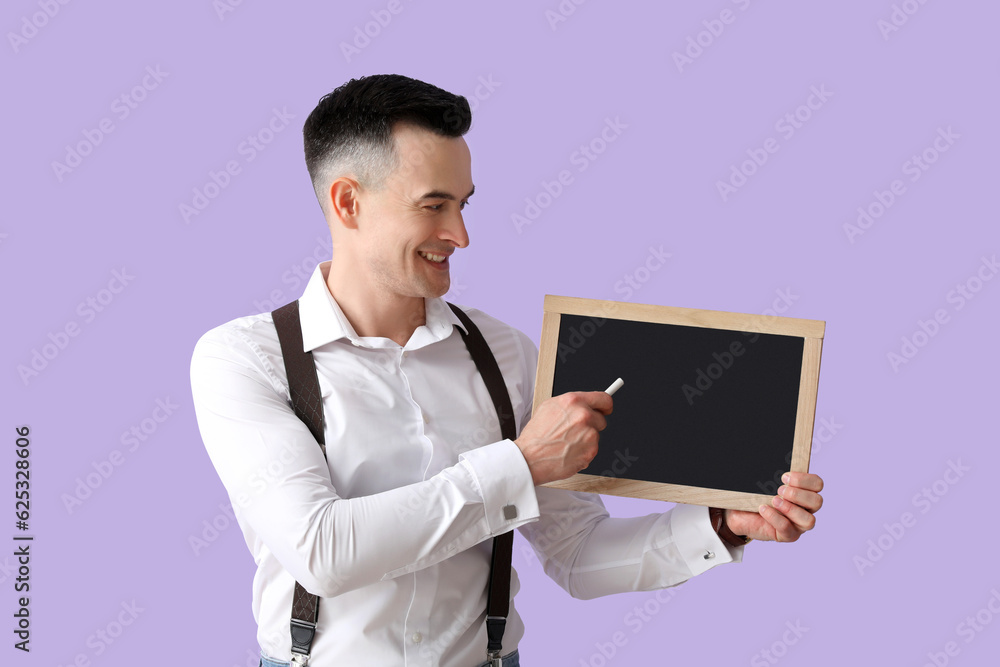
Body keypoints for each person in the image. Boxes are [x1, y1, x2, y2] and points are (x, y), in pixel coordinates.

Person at [189, 74, 824, 667]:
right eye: (434, 205)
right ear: (348, 202)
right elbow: (321, 551)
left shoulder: (506, 354)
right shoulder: (245, 359)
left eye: (464, 204)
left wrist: (721, 525)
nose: (460, 234)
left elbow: (578, 556)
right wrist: (522, 463)